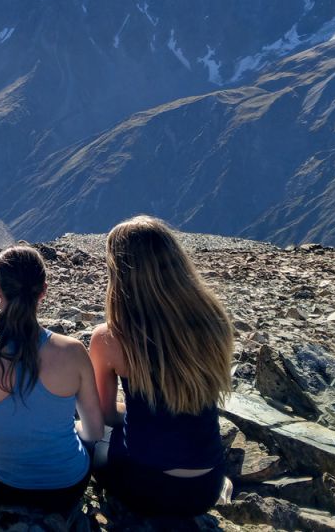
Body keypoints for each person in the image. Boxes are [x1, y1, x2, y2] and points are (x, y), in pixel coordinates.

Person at [89, 215, 234, 517]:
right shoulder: (214, 324)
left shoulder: (111, 337)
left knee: (83, 436)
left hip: (145, 487)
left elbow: (104, 416)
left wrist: (138, 413)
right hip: (206, 487)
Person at [0, 245, 102, 513]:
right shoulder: (73, 351)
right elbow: (95, 431)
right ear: (43, 291)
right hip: (69, 487)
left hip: (2, 486)